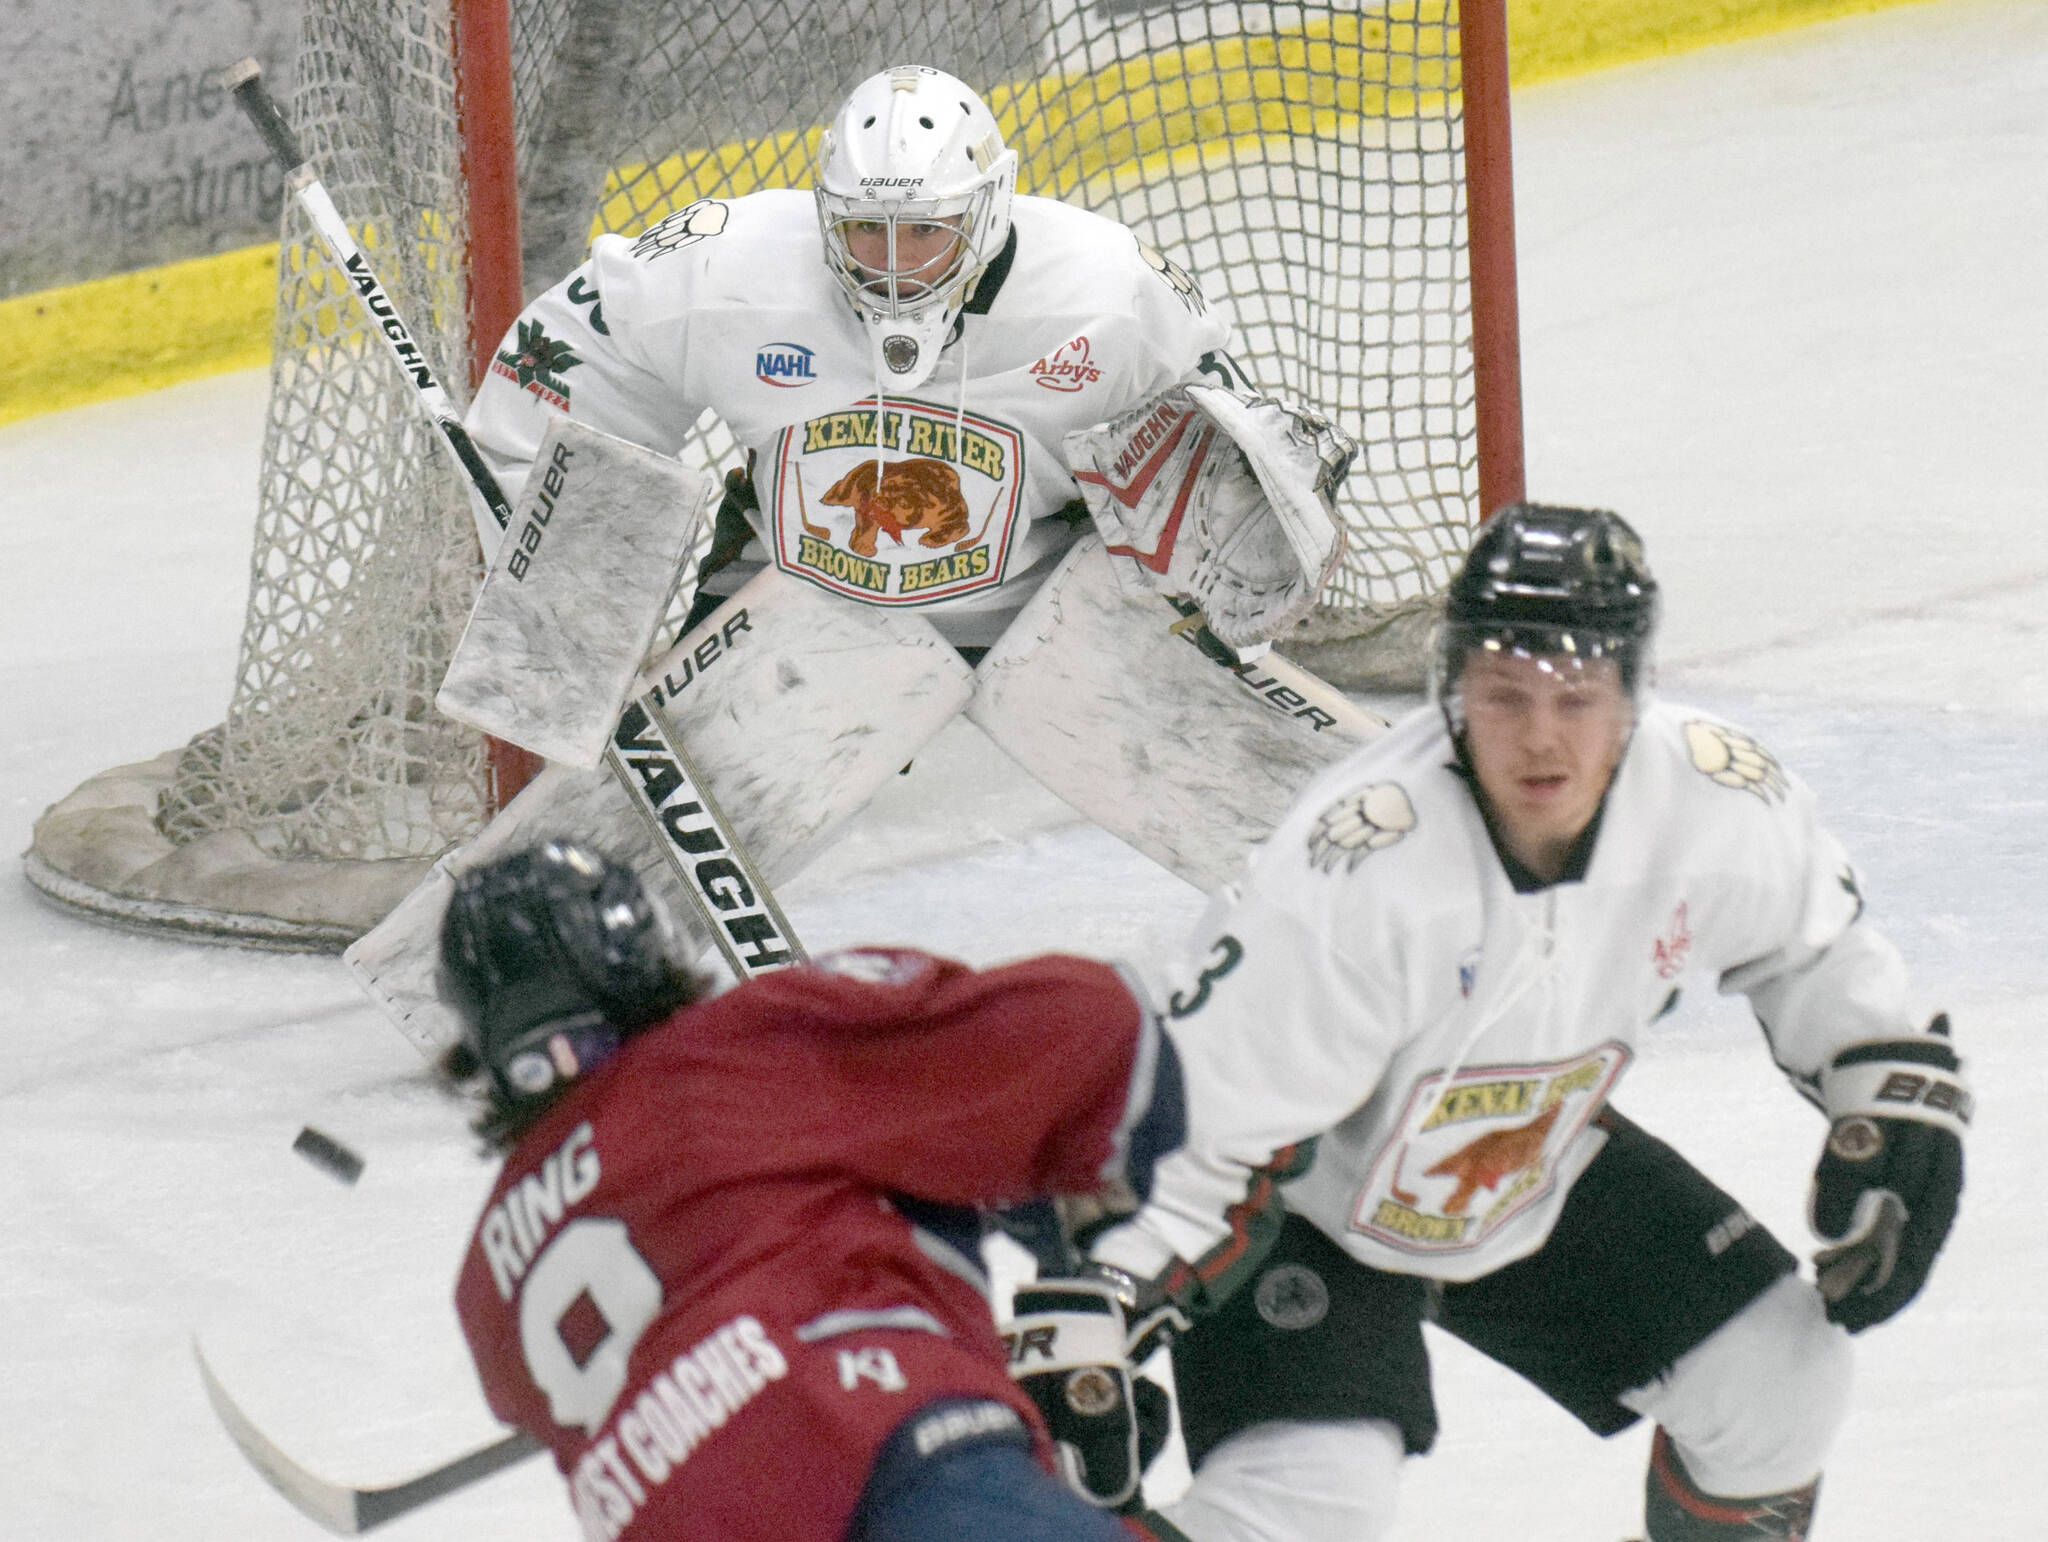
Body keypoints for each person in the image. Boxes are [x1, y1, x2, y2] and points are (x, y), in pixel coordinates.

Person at [1068, 504, 1970, 1541]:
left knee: (1780, 1383)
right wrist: (1101, 1304)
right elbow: (1206, 1111)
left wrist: (1886, 1100)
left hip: (1517, 1167)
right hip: (1301, 1203)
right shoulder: (1359, 864)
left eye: (1575, 698)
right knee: (1309, 1517)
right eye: (1503, 696)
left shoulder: (1715, 801)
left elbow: (1819, 953)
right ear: (1452, 691)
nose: (1539, 737)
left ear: (1630, 695)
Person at [435, 835, 1193, 1542]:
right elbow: (1091, 1026)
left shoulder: (484, 1292)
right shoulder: (725, 1057)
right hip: (893, 1469)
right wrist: (1073, 1167)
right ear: (641, 944)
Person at [463, 61, 1316, 658]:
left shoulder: (1114, 288)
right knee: (657, 842)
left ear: (986, 210)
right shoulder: (724, 264)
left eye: (925, 231)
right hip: (787, 586)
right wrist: (562, 560)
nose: (894, 261)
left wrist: (1249, 551)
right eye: (868, 228)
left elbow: (1220, 447)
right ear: (826, 210)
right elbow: (575, 350)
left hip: (1046, 600)